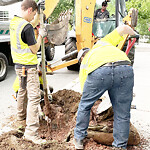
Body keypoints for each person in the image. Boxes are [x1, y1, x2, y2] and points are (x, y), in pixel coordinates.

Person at [73, 25, 138, 150]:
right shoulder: (104, 42)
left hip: (101, 71)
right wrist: (134, 33)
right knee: (122, 112)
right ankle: (119, 146)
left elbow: (84, 92)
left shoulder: (85, 62)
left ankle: (79, 139)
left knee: (84, 106)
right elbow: (123, 27)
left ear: (81, 58)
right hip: (125, 68)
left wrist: (90, 104)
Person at [9, 0, 47, 144]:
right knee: (34, 98)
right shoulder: (27, 28)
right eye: (34, 14)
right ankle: (31, 132)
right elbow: (34, 49)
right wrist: (41, 35)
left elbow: (28, 25)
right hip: (29, 68)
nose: (34, 18)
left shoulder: (15, 22)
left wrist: (37, 12)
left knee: (22, 93)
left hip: (19, 66)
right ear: (30, 10)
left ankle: (21, 121)